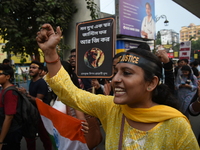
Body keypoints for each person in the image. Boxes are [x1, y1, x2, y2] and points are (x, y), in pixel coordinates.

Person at [36, 24, 199, 149]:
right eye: (116, 72)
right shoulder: (111, 108)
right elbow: (71, 94)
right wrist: (50, 53)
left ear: (151, 83)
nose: (115, 80)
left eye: (127, 73)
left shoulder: (176, 125)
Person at [19, 61, 52, 150]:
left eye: (34, 68)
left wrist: (25, 93)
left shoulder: (41, 83)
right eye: (30, 67)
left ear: (40, 71)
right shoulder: (32, 81)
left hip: (41, 115)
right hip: (32, 114)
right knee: (30, 138)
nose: (31, 69)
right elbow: (31, 96)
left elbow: (38, 100)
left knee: (44, 138)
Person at [0, 64, 23, 150]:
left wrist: (1, 140)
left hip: (11, 133)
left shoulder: (9, 92)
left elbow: (9, 117)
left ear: (8, 76)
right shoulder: (4, 90)